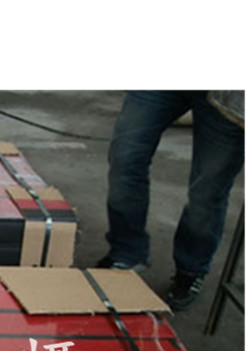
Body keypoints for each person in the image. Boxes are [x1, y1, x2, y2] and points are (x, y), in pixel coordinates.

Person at [97, 91, 244, 311]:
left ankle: (191, 270)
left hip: (229, 94)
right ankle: (126, 253)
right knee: (125, 158)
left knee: (207, 191)